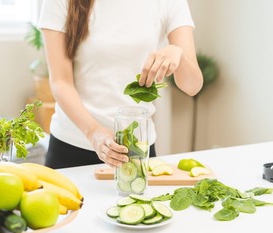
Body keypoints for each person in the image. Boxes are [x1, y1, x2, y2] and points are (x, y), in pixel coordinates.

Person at [38, 0, 203, 169]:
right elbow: (61, 81)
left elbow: (192, 86)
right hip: (72, 147)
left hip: (137, 149)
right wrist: (93, 132)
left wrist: (178, 53)